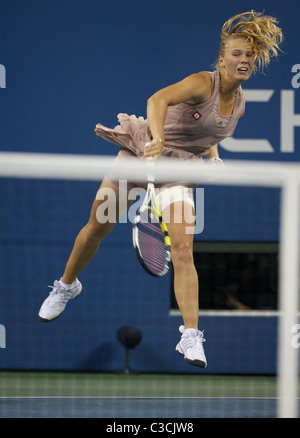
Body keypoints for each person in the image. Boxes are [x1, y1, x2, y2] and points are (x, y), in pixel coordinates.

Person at [38, 10, 283, 369]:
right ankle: (66, 285)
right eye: (236, 54)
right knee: (96, 228)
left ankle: (190, 336)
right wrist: (158, 140)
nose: (243, 60)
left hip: (178, 173)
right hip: (141, 154)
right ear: (222, 59)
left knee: (183, 249)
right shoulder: (203, 81)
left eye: (248, 56)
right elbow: (157, 100)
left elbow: (207, 134)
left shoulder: (240, 105)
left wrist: (213, 157)